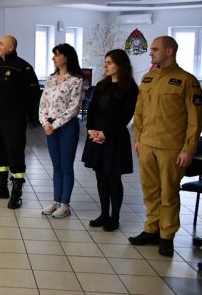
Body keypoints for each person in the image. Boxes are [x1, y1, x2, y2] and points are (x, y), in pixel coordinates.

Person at [129, 36, 202, 257]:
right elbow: (139, 112)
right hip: (148, 145)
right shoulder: (149, 78)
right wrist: (139, 139)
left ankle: (166, 236)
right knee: (150, 190)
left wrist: (189, 149)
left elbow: (195, 120)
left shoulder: (187, 81)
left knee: (169, 193)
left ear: (169, 51)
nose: (150, 53)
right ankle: (151, 229)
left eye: (155, 49)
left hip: (171, 148)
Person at [82, 49, 138, 231]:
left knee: (113, 177)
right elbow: (92, 110)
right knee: (100, 176)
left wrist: (105, 133)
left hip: (113, 137)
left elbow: (125, 116)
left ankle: (115, 217)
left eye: (110, 62)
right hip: (96, 135)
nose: (106, 66)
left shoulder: (130, 88)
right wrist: (91, 130)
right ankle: (104, 213)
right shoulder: (101, 85)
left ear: (120, 65)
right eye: (105, 62)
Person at [0, 35, 39, 208]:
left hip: (15, 118)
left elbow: (34, 93)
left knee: (14, 153)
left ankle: (17, 192)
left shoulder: (23, 67)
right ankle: (1, 187)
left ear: (11, 47)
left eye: (1, 44)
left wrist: (28, 114)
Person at [39, 43, 83, 218]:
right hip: (50, 128)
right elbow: (43, 104)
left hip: (66, 128)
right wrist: (44, 123)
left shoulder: (76, 80)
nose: (54, 58)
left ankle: (65, 203)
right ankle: (56, 201)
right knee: (56, 166)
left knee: (66, 166)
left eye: (57, 54)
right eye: (54, 55)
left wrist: (55, 124)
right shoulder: (51, 79)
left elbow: (74, 108)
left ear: (67, 57)